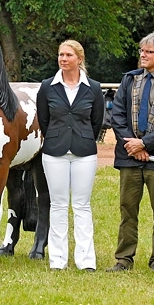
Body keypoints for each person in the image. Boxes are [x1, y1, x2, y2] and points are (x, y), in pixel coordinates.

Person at [107, 31, 154, 272]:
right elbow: (117, 115)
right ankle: (124, 259)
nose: (142, 54)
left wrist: (146, 144)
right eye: (141, 50)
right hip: (130, 155)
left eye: (148, 51)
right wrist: (133, 145)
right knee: (127, 209)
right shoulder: (130, 80)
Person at [36, 40, 104, 271]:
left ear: (79, 59)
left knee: (82, 205)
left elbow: (96, 122)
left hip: (84, 152)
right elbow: (44, 120)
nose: (63, 59)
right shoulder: (47, 86)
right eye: (60, 55)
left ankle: (86, 261)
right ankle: (57, 260)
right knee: (58, 205)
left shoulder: (93, 88)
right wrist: (57, 138)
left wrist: (82, 138)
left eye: (68, 55)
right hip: (54, 152)